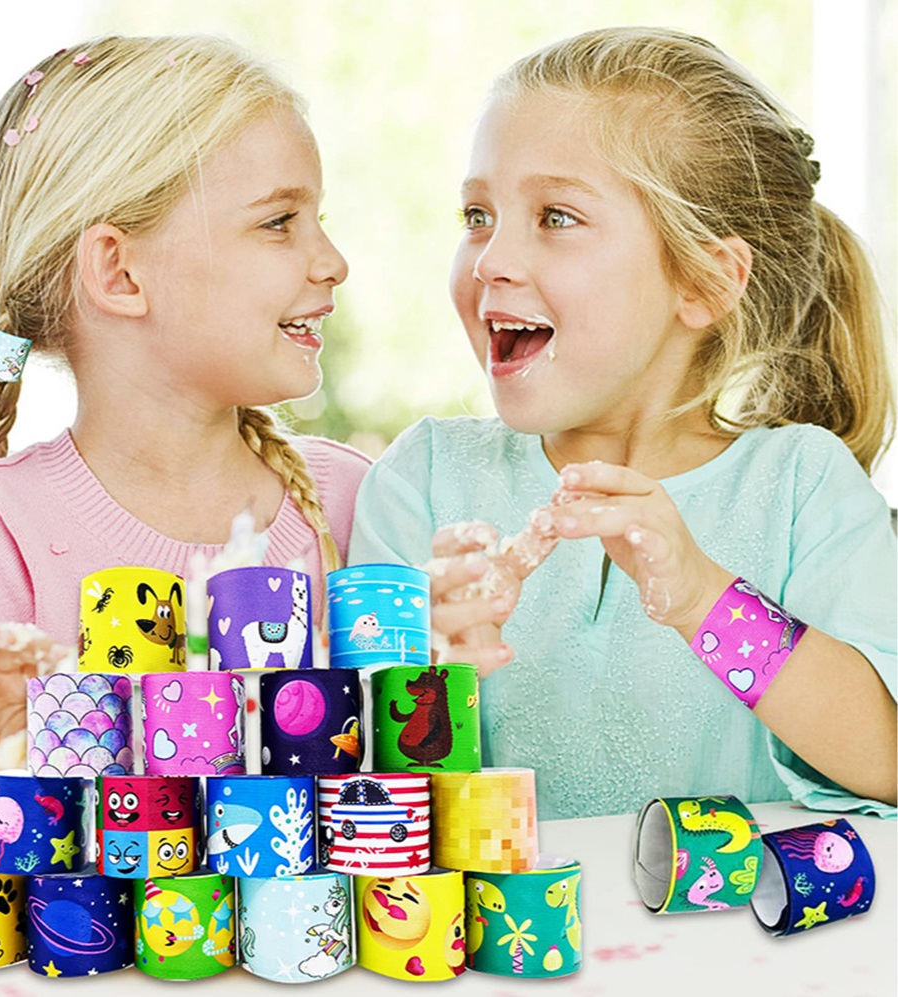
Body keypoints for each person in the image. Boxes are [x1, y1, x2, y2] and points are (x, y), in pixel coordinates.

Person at [349, 27, 897, 821]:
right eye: (476, 214)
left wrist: (704, 601)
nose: (490, 259)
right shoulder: (425, 478)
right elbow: (359, 792)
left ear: (705, 281)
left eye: (555, 216)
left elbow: (885, 760)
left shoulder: (800, 486)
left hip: (736, 909)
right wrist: (418, 681)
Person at [0, 34, 369, 871]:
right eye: (278, 222)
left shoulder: (355, 503)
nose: (333, 261)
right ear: (118, 272)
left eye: (320, 220)